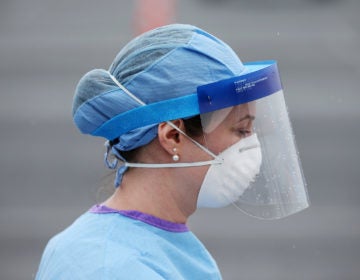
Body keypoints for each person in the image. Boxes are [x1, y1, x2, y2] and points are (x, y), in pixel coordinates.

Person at [35, 24, 309, 279]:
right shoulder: (111, 268)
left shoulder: (153, 244)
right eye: (240, 130)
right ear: (173, 136)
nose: (252, 146)